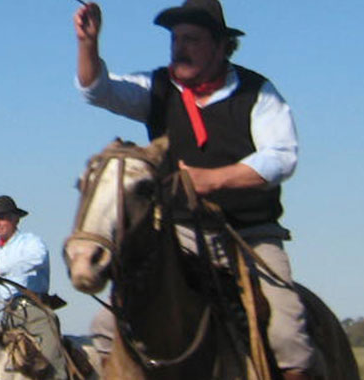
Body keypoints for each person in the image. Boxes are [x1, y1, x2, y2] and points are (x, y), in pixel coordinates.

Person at [72, 0, 315, 379]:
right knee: (105, 325)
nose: (179, 48)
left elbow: (282, 156)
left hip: (249, 234)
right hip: (179, 232)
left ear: (221, 46)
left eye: (191, 39)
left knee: (286, 333)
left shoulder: (258, 93)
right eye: (175, 39)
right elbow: (98, 90)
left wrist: (213, 179)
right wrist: (88, 43)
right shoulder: (158, 88)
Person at [0, 195, 64, 379]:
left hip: (35, 312)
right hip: (7, 315)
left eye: (2, 218)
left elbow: (37, 258)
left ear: (16, 219)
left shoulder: (31, 242)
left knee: (53, 366)